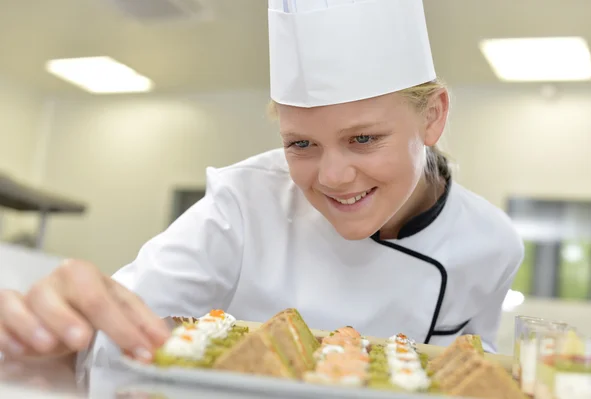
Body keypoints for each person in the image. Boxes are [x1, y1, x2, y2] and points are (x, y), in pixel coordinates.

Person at [0, 0, 523, 371]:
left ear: (433, 116)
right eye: (301, 145)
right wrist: (64, 327)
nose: (333, 177)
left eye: (363, 138)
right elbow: (120, 329)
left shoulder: (490, 245)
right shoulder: (244, 202)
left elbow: (464, 375)